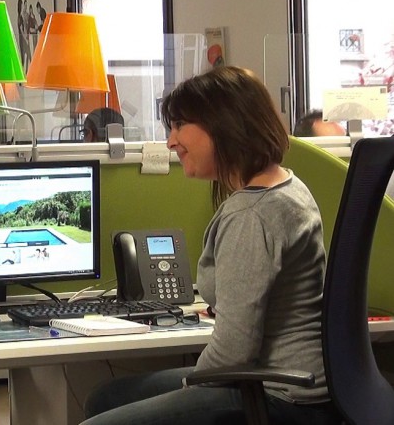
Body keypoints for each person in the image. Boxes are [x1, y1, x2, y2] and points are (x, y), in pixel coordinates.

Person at [83, 66, 338, 424]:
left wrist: (186, 390)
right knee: (105, 398)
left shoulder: (251, 213)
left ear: (223, 124)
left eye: (179, 125)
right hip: (287, 381)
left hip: (279, 395)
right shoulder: (287, 187)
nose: (171, 141)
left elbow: (234, 349)